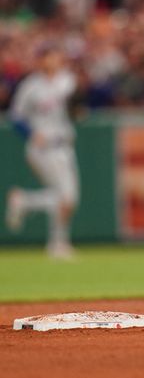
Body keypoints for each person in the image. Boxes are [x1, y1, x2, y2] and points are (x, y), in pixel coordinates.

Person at [5, 45, 80, 259]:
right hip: (42, 147)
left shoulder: (68, 80)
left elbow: (77, 108)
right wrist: (30, 134)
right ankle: (58, 243)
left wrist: (79, 109)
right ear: (41, 60)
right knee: (66, 196)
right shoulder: (30, 86)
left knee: (68, 198)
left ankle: (25, 202)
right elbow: (16, 117)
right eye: (49, 57)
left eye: (56, 56)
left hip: (65, 145)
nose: (54, 60)